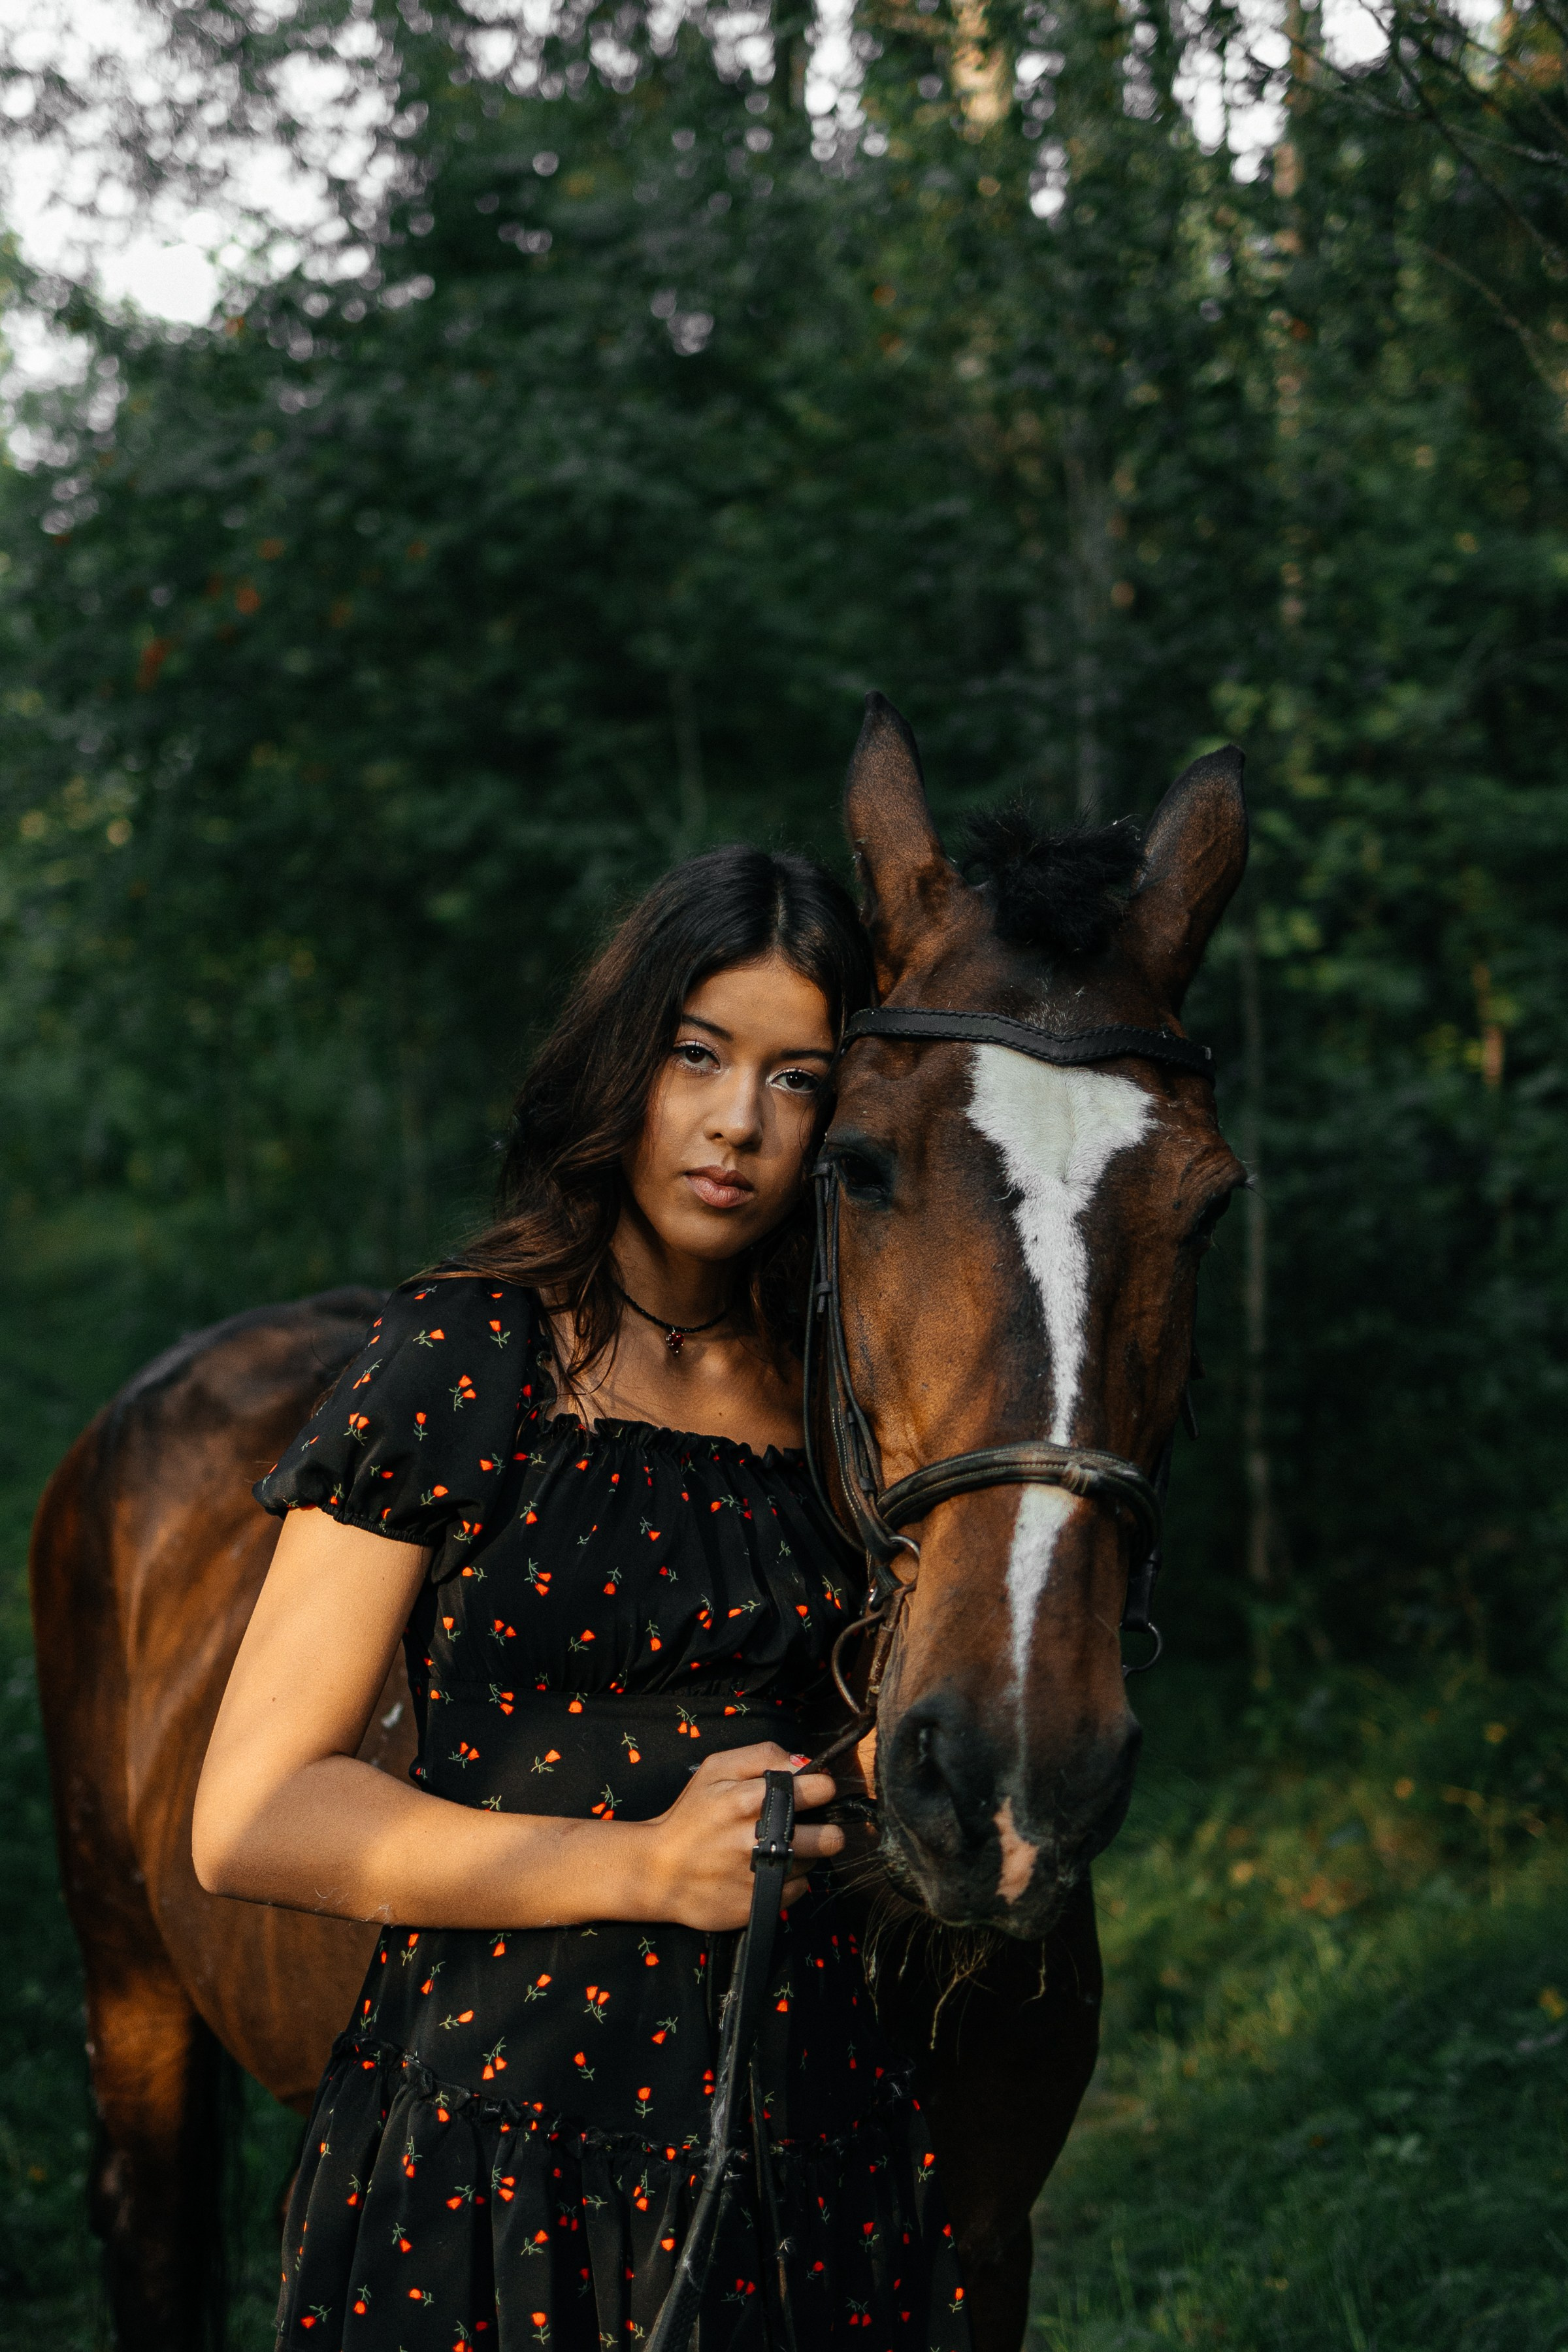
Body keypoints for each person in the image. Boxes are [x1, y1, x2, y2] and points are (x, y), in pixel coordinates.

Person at [193, 845, 971, 2351]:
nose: (738, 1123)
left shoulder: (851, 1409)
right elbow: (253, 1815)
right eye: (699, 1056)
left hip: (807, 2143)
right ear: (627, 1062)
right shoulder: (467, 1357)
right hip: (502, 2144)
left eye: (799, 1080)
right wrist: (642, 1868)